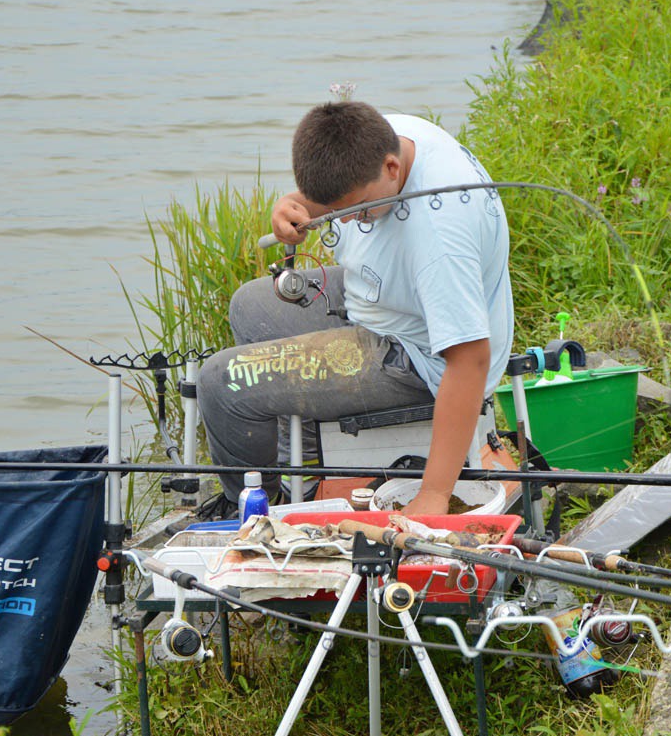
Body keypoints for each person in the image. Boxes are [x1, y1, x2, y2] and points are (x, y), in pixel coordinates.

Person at [196, 101, 514, 517]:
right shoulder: (388, 135)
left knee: (223, 383)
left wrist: (434, 496)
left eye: (358, 209)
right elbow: (327, 197)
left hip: (419, 354)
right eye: (340, 211)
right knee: (249, 307)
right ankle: (306, 468)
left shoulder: (439, 237)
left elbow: (469, 361)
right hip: (385, 294)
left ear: (391, 169)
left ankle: (260, 504)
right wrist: (294, 207)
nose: (347, 222)